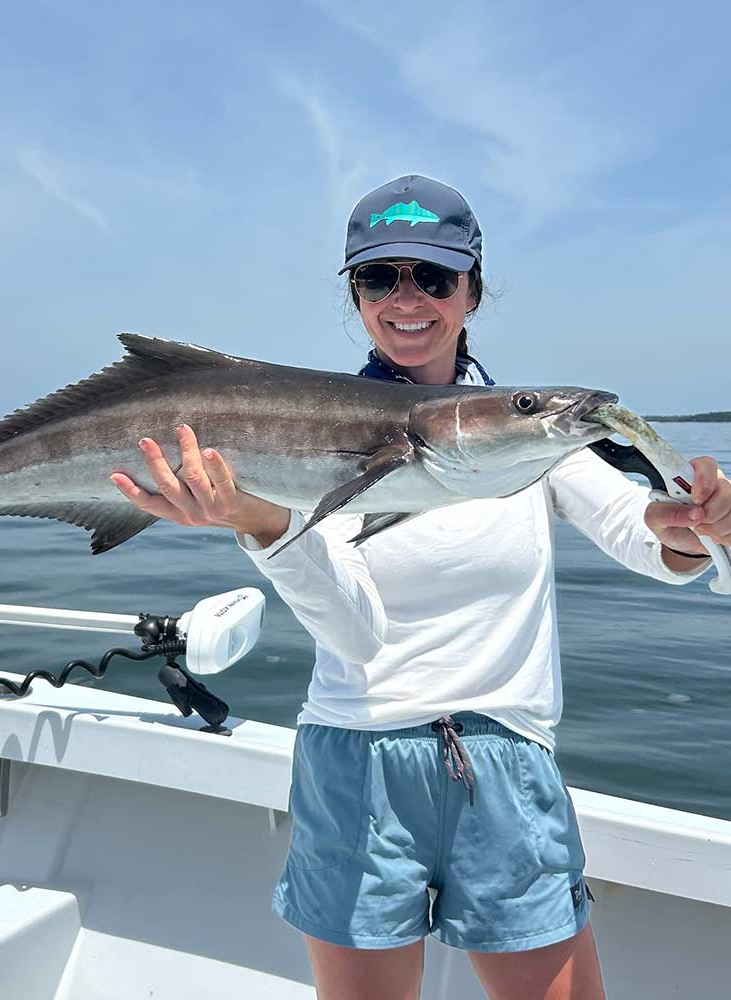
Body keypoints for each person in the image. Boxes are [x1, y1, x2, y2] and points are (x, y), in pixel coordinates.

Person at [109, 174, 731, 1000]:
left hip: (505, 760)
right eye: (380, 276)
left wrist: (689, 533)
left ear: (472, 290)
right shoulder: (312, 432)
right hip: (354, 761)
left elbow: (643, 534)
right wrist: (263, 524)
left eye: (434, 277)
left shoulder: (531, 429)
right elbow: (358, 636)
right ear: (355, 293)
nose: (409, 298)